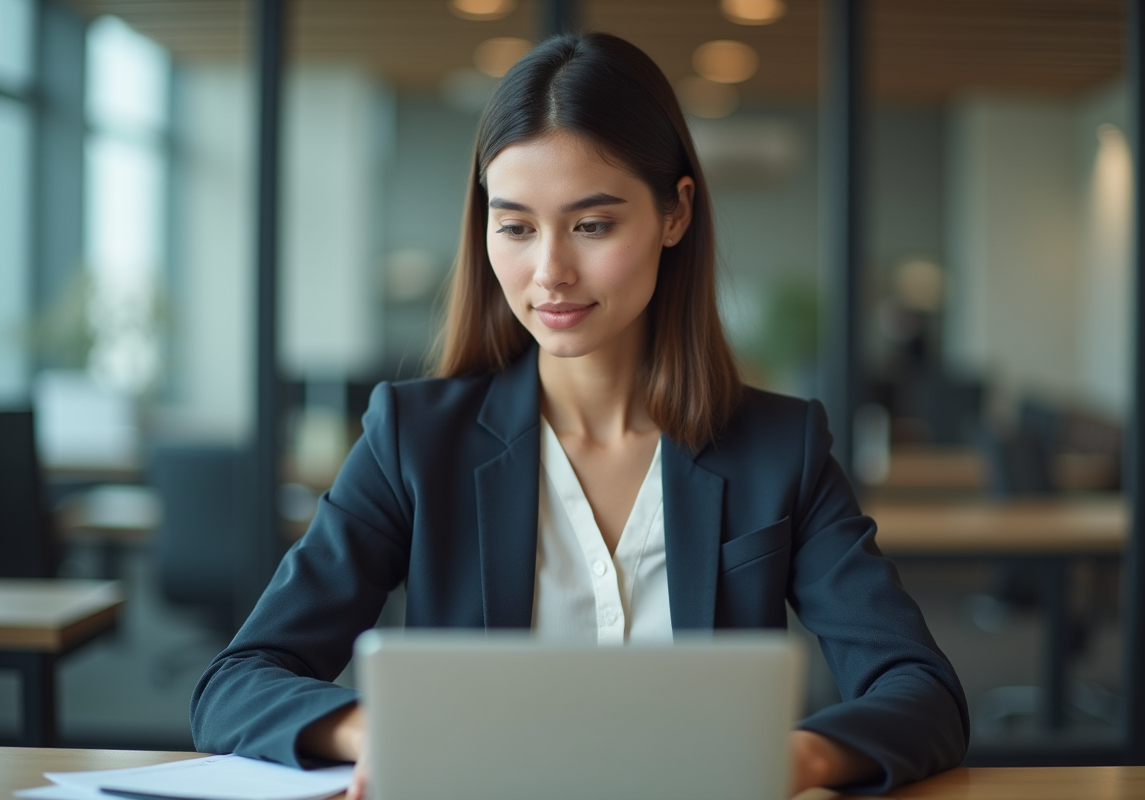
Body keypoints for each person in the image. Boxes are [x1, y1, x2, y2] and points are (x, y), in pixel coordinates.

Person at [191, 32, 969, 798]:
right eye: (517, 226)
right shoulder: (414, 440)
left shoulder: (779, 447)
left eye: (593, 225)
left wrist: (795, 759)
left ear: (675, 214)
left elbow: (920, 689)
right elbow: (237, 683)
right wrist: (376, 732)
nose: (550, 272)